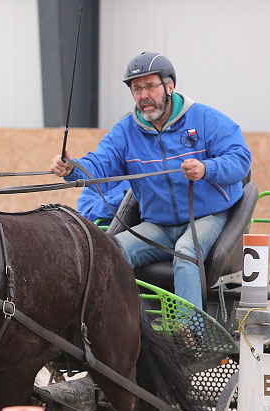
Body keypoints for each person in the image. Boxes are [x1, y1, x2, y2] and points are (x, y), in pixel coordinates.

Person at [51, 52, 251, 309]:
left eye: (150, 86)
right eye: (137, 89)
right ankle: (115, 329)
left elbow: (240, 159)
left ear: (169, 86)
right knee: (112, 251)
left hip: (207, 217)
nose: (144, 95)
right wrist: (72, 168)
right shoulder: (125, 131)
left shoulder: (205, 119)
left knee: (186, 252)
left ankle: (192, 336)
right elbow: (99, 164)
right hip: (159, 224)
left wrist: (206, 168)